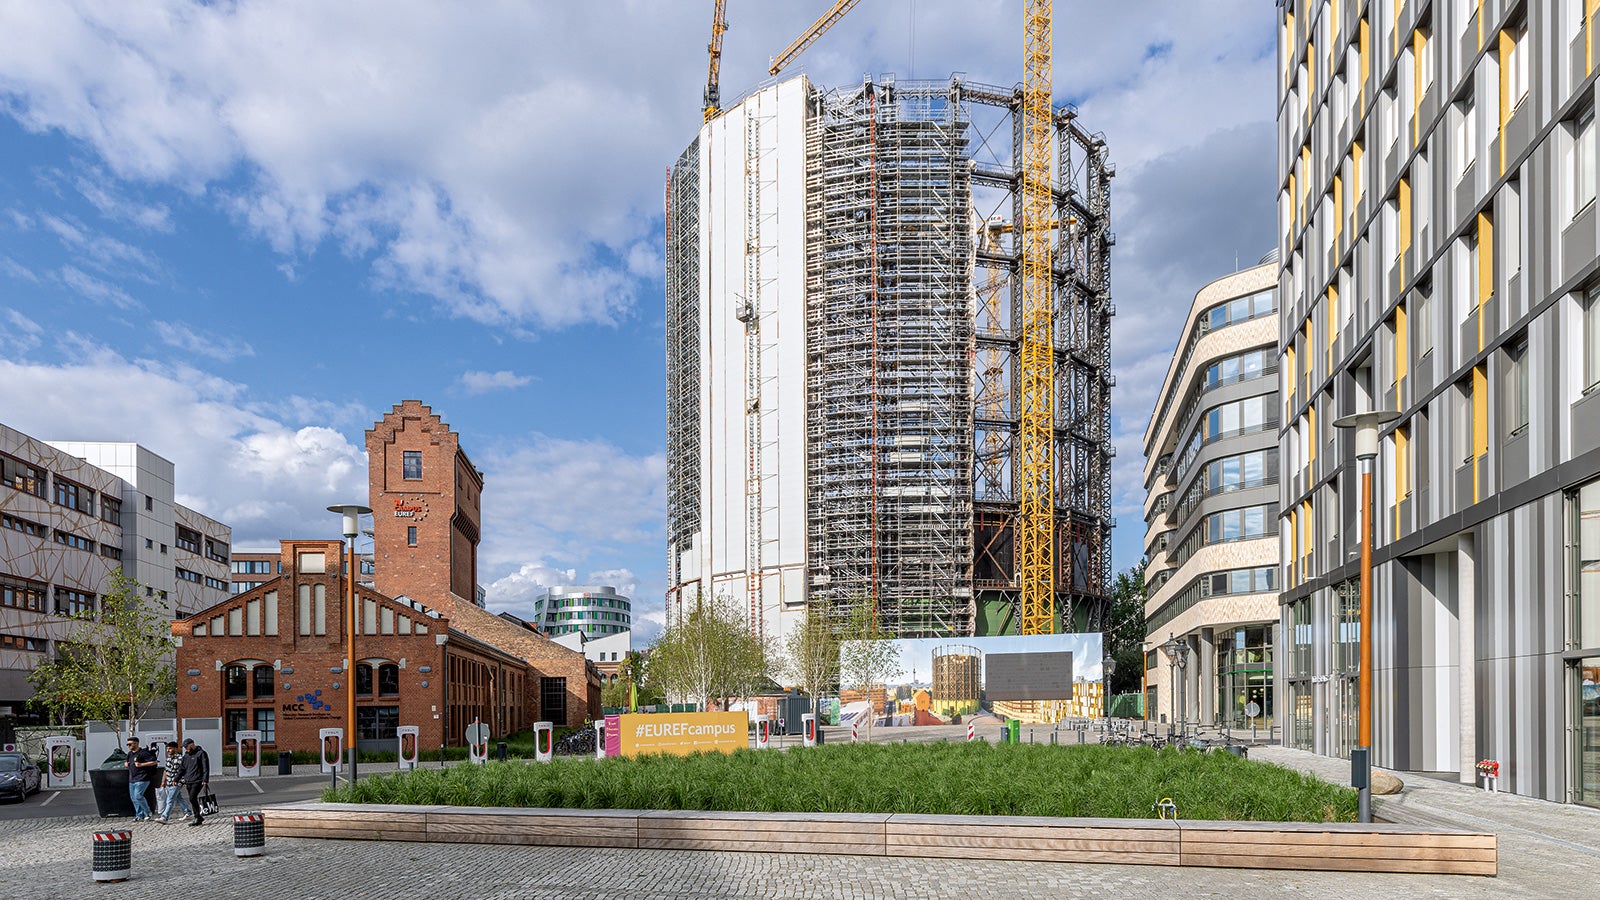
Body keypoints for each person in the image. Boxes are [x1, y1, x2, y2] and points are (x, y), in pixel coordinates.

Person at [155, 742, 192, 824]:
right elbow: (166, 770)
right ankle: (188, 812)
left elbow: (185, 770)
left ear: (175, 748)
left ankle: (164, 817)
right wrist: (163, 781)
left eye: (170, 748)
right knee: (179, 798)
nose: (168, 750)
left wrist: (183, 781)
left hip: (177, 782)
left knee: (170, 800)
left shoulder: (181, 758)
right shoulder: (168, 758)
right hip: (169, 782)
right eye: (167, 749)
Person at [177, 738, 210, 826]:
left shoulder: (201, 753)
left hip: (198, 780)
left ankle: (197, 817)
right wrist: (176, 779)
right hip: (188, 781)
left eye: (186, 747)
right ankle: (198, 817)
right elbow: (182, 769)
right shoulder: (186, 756)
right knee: (192, 799)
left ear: (191, 745)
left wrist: (205, 779)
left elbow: (205, 767)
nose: (185, 749)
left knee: (192, 797)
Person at [125, 737, 159, 822]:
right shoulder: (130, 754)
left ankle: (148, 812)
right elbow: (128, 762)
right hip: (132, 778)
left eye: (130, 744)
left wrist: (141, 765)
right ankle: (139, 815)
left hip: (142, 778)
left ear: (136, 743)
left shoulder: (143, 753)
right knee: (134, 798)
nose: (128, 746)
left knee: (138, 796)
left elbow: (154, 762)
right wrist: (126, 764)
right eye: (127, 744)